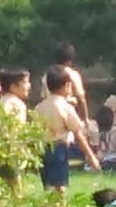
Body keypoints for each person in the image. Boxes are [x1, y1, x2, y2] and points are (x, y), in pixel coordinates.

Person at [35, 67, 98, 196]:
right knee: (56, 188)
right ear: (66, 86)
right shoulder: (65, 107)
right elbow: (78, 134)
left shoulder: (39, 107)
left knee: (53, 187)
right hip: (58, 150)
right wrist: (91, 156)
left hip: (42, 149)